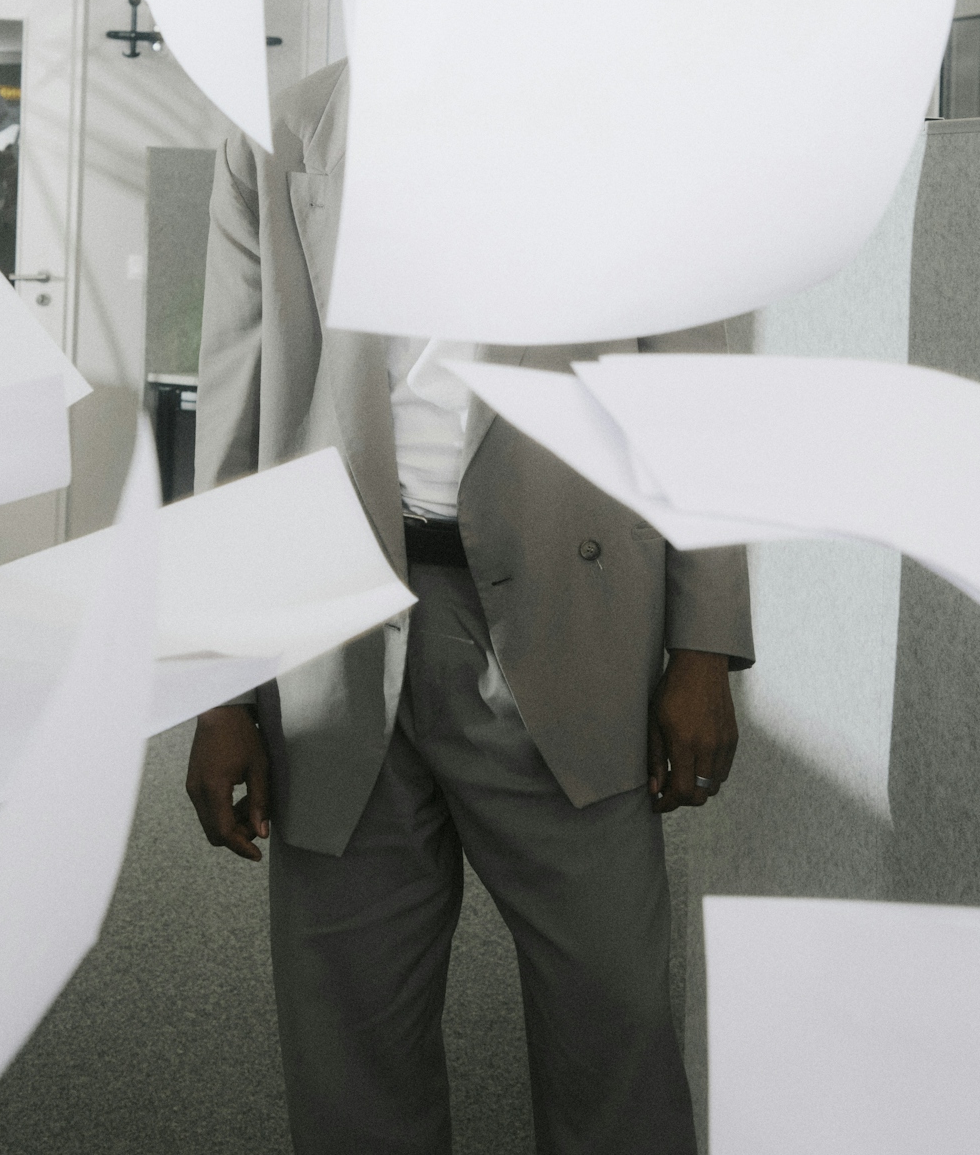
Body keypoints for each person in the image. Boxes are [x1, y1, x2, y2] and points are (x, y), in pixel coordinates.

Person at [186, 58, 753, 1155]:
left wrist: (702, 646)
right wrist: (217, 687)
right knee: (347, 1045)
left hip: (570, 628)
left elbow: (696, 404)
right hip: (337, 634)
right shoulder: (281, 133)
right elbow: (232, 424)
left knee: (617, 1027)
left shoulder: (637, 127)